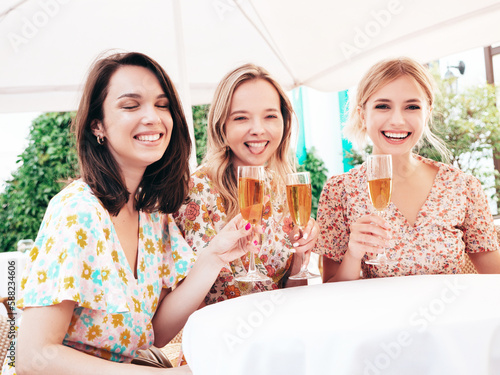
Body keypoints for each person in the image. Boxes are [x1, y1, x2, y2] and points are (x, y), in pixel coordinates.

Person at [3, 52, 258, 375]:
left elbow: (157, 332)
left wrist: (214, 258)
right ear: (98, 126)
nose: (152, 117)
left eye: (162, 104)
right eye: (130, 105)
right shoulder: (77, 212)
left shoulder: (153, 214)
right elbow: (33, 356)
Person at [315, 56, 500, 282]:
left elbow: (495, 278)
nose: (397, 120)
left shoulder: (462, 186)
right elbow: (330, 291)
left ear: (427, 112)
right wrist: (353, 255)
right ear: (363, 114)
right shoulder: (339, 191)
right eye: (383, 106)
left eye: (412, 106)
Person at [173, 63, 319, 306]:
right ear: (222, 125)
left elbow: (292, 295)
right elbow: (186, 305)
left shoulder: (282, 189)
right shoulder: (195, 192)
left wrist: (301, 255)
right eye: (241, 118)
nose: (258, 130)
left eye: (270, 116)